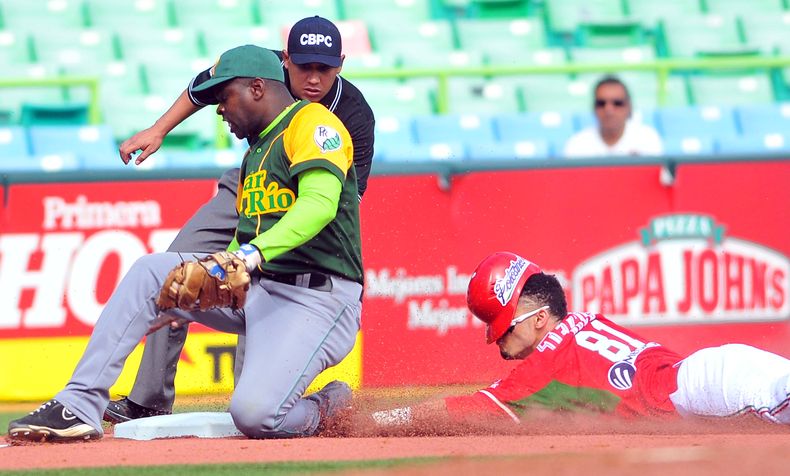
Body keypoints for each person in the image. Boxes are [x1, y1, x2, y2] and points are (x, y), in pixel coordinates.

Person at [8, 45, 364, 442]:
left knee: (256, 415)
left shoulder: (314, 123)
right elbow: (243, 238)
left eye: (224, 96)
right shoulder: (256, 153)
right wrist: (207, 288)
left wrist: (248, 255)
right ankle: (77, 404)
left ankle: (327, 405)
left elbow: (318, 205)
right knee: (151, 274)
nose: (219, 109)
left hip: (317, 299)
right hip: (264, 289)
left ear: (257, 88)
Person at [106, 15, 375, 423]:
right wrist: (159, 130)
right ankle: (149, 399)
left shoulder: (354, 114)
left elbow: (340, 204)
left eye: (325, 68)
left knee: (266, 281)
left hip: (301, 199)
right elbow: (202, 87)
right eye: (304, 66)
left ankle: (257, 403)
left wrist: (266, 251)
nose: (313, 78)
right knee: (179, 270)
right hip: (249, 185)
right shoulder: (260, 69)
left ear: (341, 65)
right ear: (285, 60)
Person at [370, 252, 790, 430]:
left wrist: (379, 420)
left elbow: (462, 410)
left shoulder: (544, 365)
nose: (497, 342)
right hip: (716, 371)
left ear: (538, 318)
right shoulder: (583, 322)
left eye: (504, 327)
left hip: (710, 391)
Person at [563, 76, 663, 158]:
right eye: (601, 103)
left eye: (617, 103)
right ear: (593, 107)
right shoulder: (577, 145)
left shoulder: (647, 139)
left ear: (629, 107)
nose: (609, 110)